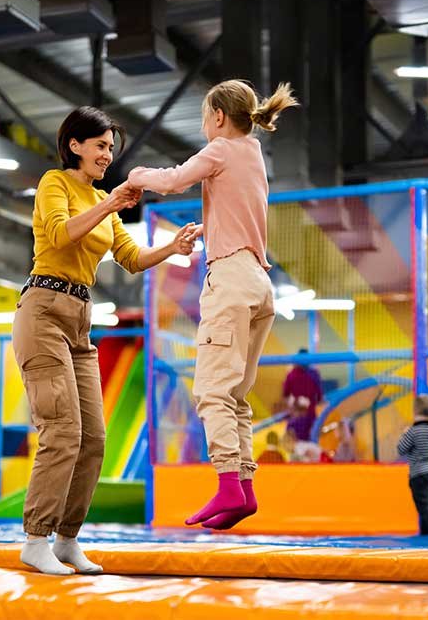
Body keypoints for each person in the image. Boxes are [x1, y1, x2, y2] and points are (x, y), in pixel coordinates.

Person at [14, 106, 202, 575]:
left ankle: (66, 539)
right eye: (100, 146)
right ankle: (35, 539)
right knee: (61, 431)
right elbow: (58, 237)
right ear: (75, 145)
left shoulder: (105, 201)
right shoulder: (55, 183)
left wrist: (172, 250)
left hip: (80, 317)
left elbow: (132, 259)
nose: (107, 154)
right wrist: (108, 202)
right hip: (43, 309)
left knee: (93, 438)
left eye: (111, 148)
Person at [128, 80, 299, 530]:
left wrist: (136, 176)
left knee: (210, 391)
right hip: (260, 284)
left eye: (205, 117)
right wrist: (206, 229)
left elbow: (171, 181)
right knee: (235, 394)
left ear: (218, 117)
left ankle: (227, 483)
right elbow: (238, 209)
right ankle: (242, 488)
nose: (205, 126)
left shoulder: (222, 148)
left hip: (230, 279)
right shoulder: (253, 154)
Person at [396, 394, 428, 536]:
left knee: (424, 506)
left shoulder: (413, 432)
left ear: (415, 412)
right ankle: (426, 532)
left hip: (419, 473)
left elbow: (401, 449)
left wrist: (404, 434)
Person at [283, 351, 323, 443]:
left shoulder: (291, 375)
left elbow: (285, 394)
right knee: (312, 440)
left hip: (297, 414)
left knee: (294, 442)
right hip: (310, 414)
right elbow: (319, 395)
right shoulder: (314, 374)